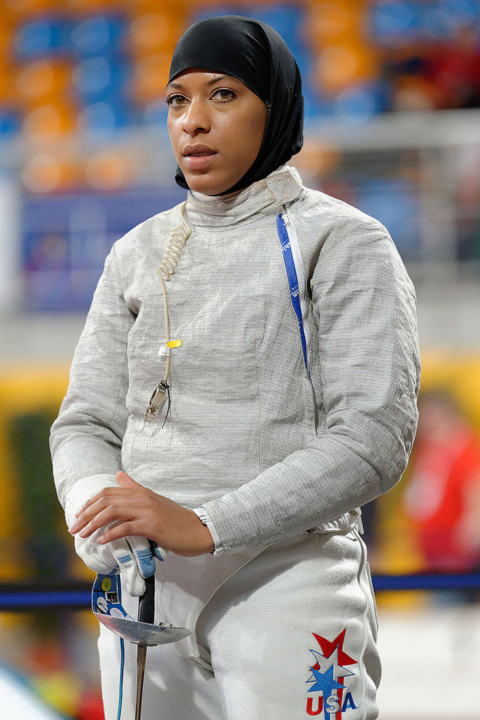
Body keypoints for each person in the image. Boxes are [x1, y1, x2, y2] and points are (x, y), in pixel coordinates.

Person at [50, 16, 420, 720]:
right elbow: (85, 421)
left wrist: (208, 524)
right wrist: (95, 512)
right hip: (144, 591)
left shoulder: (341, 241)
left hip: (288, 579)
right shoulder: (136, 251)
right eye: (176, 100)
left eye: (223, 95)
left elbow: (371, 436)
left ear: (275, 110)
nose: (192, 122)